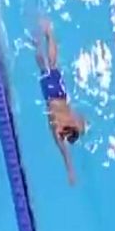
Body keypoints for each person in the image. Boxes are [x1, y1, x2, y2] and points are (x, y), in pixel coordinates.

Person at [35, 18, 86, 185]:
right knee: (46, 64)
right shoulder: (57, 130)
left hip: (61, 94)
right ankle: (46, 33)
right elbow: (65, 153)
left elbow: (67, 152)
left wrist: (70, 171)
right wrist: (70, 171)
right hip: (51, 95)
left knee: (52, 64)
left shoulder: (68, 120)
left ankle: (48, 33)